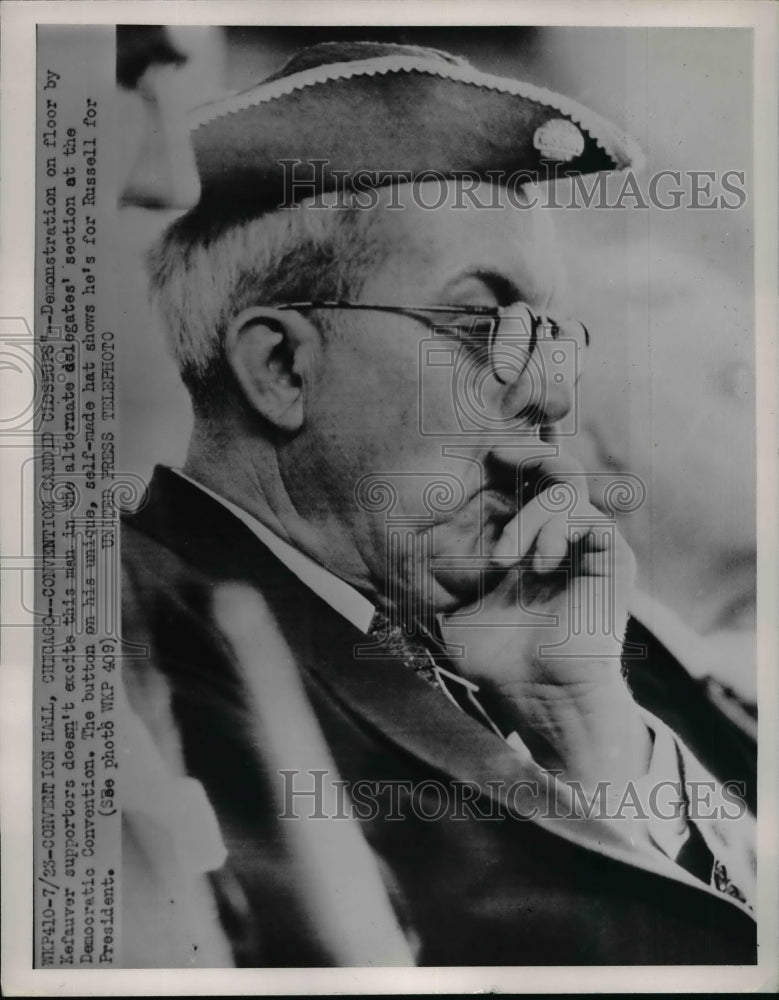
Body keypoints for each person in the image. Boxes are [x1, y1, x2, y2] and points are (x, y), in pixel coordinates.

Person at [119, 41, 756, 967]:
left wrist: (581, 721)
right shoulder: (136, 634)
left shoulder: (495, 637)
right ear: (280, 368)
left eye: (550, 336)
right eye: (480, 325)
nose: (549, 396)